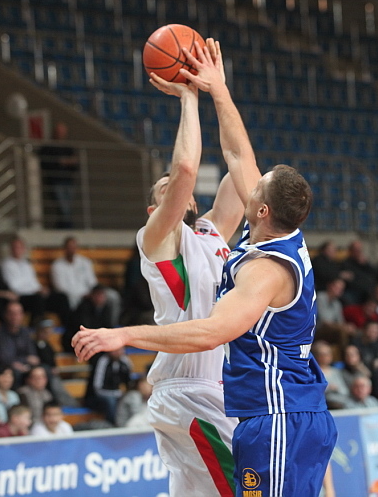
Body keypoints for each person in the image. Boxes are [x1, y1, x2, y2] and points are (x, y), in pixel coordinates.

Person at [73, 39, 336, 497]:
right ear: (154, 209)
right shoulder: (158, 237)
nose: (176, 192)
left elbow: (238, 161)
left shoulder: (226, 237)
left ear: (263, 211)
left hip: (243, 395)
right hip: (192, 389)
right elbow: (195, 167)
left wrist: (208, 91)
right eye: (164, 191)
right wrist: (204, 92)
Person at [1, 236, 50, 324]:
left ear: (23, 249)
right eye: (15, 247)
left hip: (32, 294)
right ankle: (35, 327)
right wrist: (35, 290)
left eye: (20, 247)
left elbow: (33, 282)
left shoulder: (26, 264)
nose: (17, 250)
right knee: (37, 300)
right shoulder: (7, 264)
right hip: (19, 297)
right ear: (11, 249)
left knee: (59, 297)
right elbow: (14, 286)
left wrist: (41, 289)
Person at [39, 122, 78, 229]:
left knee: (68, 207)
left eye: (63, 132)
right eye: (59, 131)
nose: (61, 134)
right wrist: (60, 162)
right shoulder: (49, 147)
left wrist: (67, 162)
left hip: (68, 180)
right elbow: (45, 162)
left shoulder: (68, 148)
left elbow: (75, 164)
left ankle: (63, 227)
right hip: (56, 180)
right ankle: (67, 228)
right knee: (63, 207)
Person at [0, 301, 39, 378]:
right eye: (12, 313)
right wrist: (25, 359)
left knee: (42, 370)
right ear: (6, 315)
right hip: (5, 368)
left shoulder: (25, 331)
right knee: (15, 372)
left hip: (25, 366)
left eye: (18, 313)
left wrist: (24, 362)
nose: (15, 317)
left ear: (22, 315)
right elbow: (4, 358)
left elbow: (33, 355)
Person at [85, 348, 133, 424]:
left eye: (120, 350)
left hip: (118, 393)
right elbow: (97, 387)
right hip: (98, 396)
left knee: (133, 397)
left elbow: (129, 382)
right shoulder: (102, 361)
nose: (118, 352)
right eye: (115, 350)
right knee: (111, 401)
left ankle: (131, 423)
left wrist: (124, 393)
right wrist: (115, 393)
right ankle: (113, 425)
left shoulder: (125, 361)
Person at [313, 340, 351, 410]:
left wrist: (335, 389)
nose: (326, 357)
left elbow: (344, 391)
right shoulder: (313, 373)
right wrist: (329, 388)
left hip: (342, 405)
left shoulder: (336, 371)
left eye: (328, 354)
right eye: (322, 354)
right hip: (324, 406)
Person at [340, 240, 376, 305]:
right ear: (350, 251)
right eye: (356, 250)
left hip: (366, 290)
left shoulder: (365, 264)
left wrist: (365, 264)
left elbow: (374, 274)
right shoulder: (345, 263)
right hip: (352, 290)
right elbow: (350, 278)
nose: (359, 252)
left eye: (360, 250)